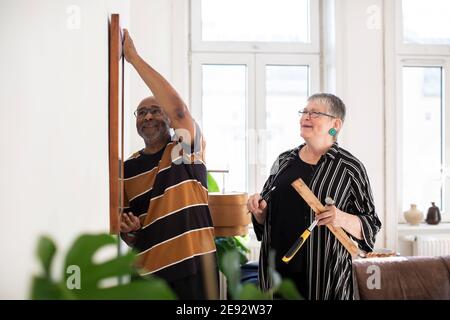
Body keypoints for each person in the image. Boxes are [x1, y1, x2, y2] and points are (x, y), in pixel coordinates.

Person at [247, 93, 382, 300]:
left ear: (335, 124)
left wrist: (340, 217)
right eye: (304, 112)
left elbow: (371, 224)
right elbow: (265, 218)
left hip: (325, 280)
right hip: (276, 278)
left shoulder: (350, 168)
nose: (305, 118)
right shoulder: (283, 161)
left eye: (314, 113)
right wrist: (259, 211)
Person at [119, 29, 218, 300]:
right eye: (142, 112)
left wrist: (134, 59)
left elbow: (179, 111)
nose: (148, 116)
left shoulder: (184, 148)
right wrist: (129, 232)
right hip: (150, 277)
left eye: (155, 110)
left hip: (195, 268)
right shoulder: (126, 169)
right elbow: (133, 236)